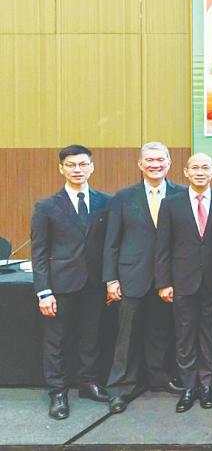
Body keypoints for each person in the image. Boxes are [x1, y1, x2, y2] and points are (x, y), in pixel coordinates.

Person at [31, 145, 112, 420]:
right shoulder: (46, 206)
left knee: (92, 336)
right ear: (61, 168)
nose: (77, 170)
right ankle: (58, 392)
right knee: (57, 341)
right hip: (60, 285)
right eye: (71, 165)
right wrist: (44, 292)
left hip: (94, 284)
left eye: (82, 164)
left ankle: (88, 383)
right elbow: (39, 252)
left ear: (92, 167)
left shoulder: (106, 202)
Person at [104, 142, 184, 414]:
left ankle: (159, 378)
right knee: (126, 336)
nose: (155, 165)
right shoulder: (123, 197)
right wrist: (111, 279)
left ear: (169, 163)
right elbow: (111, 243)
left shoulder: (181, 194)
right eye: (149, 160)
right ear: (140, 164)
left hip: (167, 279)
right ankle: (120, 388)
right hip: (131, 277)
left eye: (160, 160)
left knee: (161, 332)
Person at [154, 153, 212, 413]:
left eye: (205, 167)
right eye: (195, 168)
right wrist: (163, 283)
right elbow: (162, 247)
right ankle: (189, 387)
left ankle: (207, 385)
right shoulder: (171, 204)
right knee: (184, 337)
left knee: (209, 336)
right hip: (182, 282)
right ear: (186, 172)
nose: (200, 172)